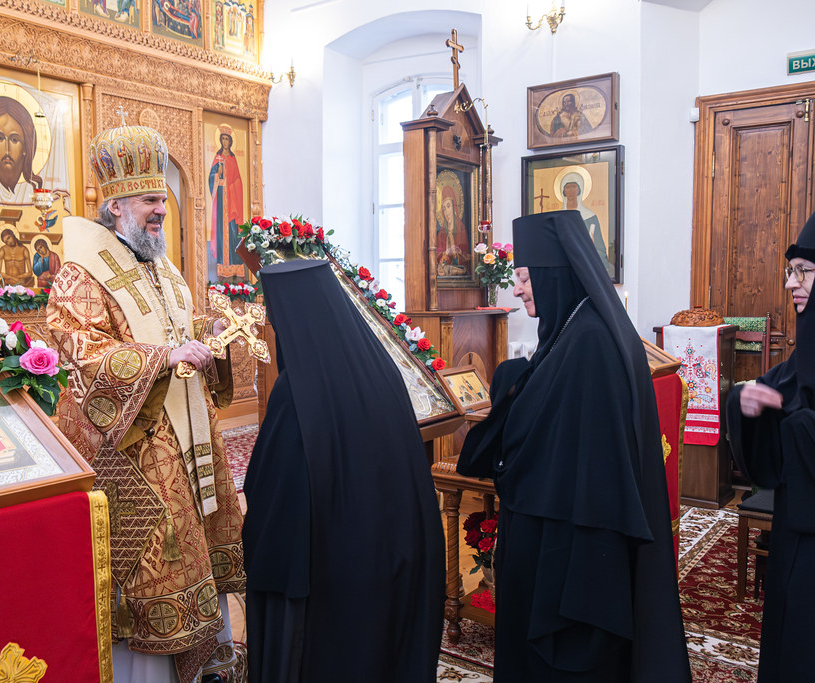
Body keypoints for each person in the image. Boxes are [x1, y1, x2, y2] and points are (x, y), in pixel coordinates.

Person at [47, 123, 245, 683]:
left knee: (199, 544)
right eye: (150, 201)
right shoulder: (80, 272)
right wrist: (162, 358)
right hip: (137, 449)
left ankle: (204, 665)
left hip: (189, 436)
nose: (162, 210)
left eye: (163, 199)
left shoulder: (161, 265)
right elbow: (79, 351)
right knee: (159, 560)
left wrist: (213, 332)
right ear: (116, 207)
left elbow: (178, 329)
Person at [457, 209, 690, 682]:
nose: (517, 289)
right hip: (550, 535)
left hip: (568, 560)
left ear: (552, 273)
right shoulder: (573, 329)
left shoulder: (590, 344)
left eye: (524, 278)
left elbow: (575, 459)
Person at [244, 259, 444, 682]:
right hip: (391, 562)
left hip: (331, 588)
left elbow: (273, 495)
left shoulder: (296, 393)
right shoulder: (380, 369)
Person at [726, 211, 815, 682]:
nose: (790, 283)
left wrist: (792, 421)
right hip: (793, 528)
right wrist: (746, 401)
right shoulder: (806, 351)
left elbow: (798, 417)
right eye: (790, 271)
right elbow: (773, 389)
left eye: (803, 271)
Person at [208, 125, 245, 280]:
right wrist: (218, 175)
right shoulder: (217, 158)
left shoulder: (233, 159)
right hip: (221, 202)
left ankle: (237, 269)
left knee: (234, 232)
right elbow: (211, 179)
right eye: (222, 138)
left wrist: (231, 187)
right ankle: (222, 269)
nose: (225, 142)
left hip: (233, 203)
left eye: (227, 139)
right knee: (222, 233)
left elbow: (238, 180)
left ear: (230, 141)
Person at [559, 173, 613, 279]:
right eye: (568, 187)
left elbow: (599, 248)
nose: (571, 190)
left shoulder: (590, 216)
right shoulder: (558, 217)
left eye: (574, 187)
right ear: (563, 190)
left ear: (579, 189)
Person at [436, 185, 471, 277]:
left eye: (448, 206)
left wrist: (457, 253)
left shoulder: (462, 230)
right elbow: (437, 258)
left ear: (454, 207)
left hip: (458, 270)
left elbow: (467, 258)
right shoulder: (441, 234)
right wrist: (446, 253)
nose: (446, 212)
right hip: (445, 271)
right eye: (444, 208)